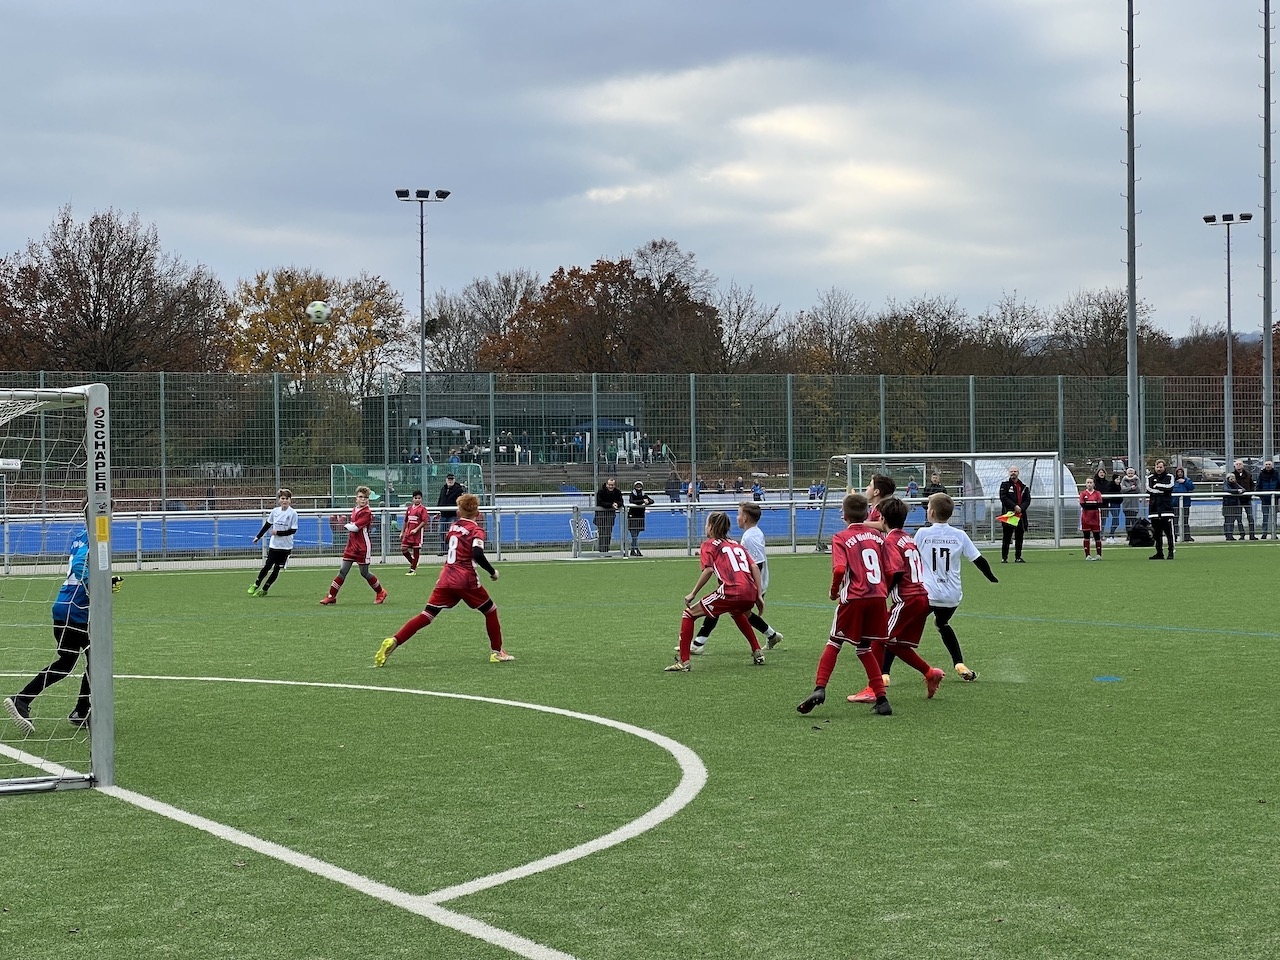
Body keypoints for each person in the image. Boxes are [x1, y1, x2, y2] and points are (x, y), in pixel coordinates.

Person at [4, 524, 122, 734]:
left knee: (67, 663)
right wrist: (99, 586)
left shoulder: (80, 536)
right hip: (76, 611)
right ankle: (81, 711)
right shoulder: (96, 534)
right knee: (97, 660)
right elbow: (79, 564)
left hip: (63, 607)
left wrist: (105, 582)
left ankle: (22, 699)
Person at [376, 493, 513, 667]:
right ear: (477, 513)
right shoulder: (476, 530)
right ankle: (497, 652)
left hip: (445, 578)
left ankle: (395, 640)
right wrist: (492, 572)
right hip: (465, 580)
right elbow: (477, 553)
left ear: (459, 512)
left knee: (427, 615)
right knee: (490, 610)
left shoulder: (453, 527)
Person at [795, 493, 897, 716]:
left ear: (844, 515)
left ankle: (820, 688)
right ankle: (882, 699)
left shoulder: (841, 537)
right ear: (867, 514)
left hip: (854, 597)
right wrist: (883, 591)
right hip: (878, 597)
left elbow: (840, 568)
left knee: (834, 642)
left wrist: (834, 592)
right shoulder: (878, 536)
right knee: (864, 648)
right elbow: (891, 569)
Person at [846, 497, 945, 705]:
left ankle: (873, 689)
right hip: (921, 597)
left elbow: (896, 571)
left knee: (878, 639)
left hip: (907, 599)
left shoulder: (890, 541)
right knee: (896, 644)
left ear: (882, 518)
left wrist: (883, 591)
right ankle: (930, 673)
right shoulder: (907, 538)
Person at [911, 492, 999, 681]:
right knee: (942, 623)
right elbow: (978, 559)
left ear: (931, 513)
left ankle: (884, 673)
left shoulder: (922, 533)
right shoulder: (959, 535)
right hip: (952, 596)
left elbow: (909, 556)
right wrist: (991, 577)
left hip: (928, 594)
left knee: (904, 628)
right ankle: (959, 664)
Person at [665, 511, 765, 672]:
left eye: (707, 524)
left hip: (731, 590)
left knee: (689, 614)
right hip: (750, 590)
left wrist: (693, 593)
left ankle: (684, 662)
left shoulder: (708, 545)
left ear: (711, 527)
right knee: (736, 611)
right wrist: (758, 594)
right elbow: (754, 566)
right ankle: (757, 650)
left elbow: (708, 570)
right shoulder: (736, 544)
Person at [687, 501, 784, 656]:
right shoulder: (753, 534)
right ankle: (771, 636)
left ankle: (698, 643)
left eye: (739, 514)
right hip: (745, 583)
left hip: (747, 584)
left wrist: (753, 588)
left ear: (744, 518)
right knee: (739, 612)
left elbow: (757, 564)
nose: (737, 517)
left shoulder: (750, 538)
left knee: (721, 607)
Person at [320, 485, 387, 606]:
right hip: (351, 545)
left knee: (364, 573)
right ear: (356, 498)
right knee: (342, 571)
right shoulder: (355, 509)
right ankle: (331, 596)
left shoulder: (367, 512)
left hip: (362, 546)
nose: (363, 499)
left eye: (365, 497)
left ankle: (380, 592)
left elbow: (355, 528)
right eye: (361, 497)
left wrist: (345, 525)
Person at [249, 488, 298, 596]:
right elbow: (267, 525)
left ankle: (265, 589)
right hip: (274, 545)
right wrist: (258, 536)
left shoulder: (293, 513)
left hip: (286, 547)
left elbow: (293, 530)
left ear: (290, 500)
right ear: (279, 500)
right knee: (267, 566)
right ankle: (256, 584)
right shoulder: (275, 511)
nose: (284, 501)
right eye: (282, 498)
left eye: (287, 499)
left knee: (277, 569)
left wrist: (278, 532)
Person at [998, 465, 1031, 563]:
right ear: (1009, 473)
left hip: (1020, 515)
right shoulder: (1005, 485)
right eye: (1011, 471)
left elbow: (1027, 500)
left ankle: (1018, 557)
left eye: (1015, 471)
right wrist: (1014, 506)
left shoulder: (1023, 487)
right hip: (1009, 515)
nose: (1013, 473)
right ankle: (1004, 558)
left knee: (1019, 536)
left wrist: (1021, 508)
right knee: (1007, 537)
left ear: (1018, 473)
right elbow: (1003, 498)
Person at [1146, 460, 1176, 560]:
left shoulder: (1169, 477)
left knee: (1169, 533)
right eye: (1157, 467)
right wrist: (1162, 490)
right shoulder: (1150, 478)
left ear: (1164, 467)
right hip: (1154, 510)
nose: (1159, 469)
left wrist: (1158, 485)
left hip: (1166, 510)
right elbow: (1149, 489)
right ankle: (1159, 553)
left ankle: (1171, 552)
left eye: (1161, 467)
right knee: (1157, 534)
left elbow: (1170, 487)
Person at [399, 489, 430, 575]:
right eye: (416, 498)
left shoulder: (422, 509)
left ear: (421, 499)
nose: (417, 500)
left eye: (419, 498)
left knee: (416, 551)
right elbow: (405, 521)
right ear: (413, 499)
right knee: (403, 548)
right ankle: (413, 562)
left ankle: (412, 570)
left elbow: (424, 521)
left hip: (417, 534)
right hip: (408, 533)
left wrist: (416, 529)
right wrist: (402, 532)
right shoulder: (409, 509)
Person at [436, 473, 464, 555]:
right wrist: (438, 509)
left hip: (453, 515)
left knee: (452, 533)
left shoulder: (458, 489)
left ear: (454, 480)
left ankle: (452, 549)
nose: (450, 481)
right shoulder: (443, 488)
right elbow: (441, 499)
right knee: (441, 532)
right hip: (443, 514)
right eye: (449, 479)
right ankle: (444, 549)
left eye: (451, 479)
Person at [595, 477, 624, 554]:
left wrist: (616, 504)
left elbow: (621, 502)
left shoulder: (617, 492)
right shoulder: (601, 492)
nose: (611, 486)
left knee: (608, 533)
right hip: (600, 516)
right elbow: (600, 502)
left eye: (612, 485)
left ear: (614, 485)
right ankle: (602, 551)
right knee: (602, 533)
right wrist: (611, 505)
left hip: (610, 516)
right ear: (606, 484)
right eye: (609, 485)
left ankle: (606, 550)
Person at [626, 481, 655, 556]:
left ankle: (633, 550)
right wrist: (642, 501)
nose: (638, 488)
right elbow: (632, 501)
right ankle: (636, 549)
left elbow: (652, 501)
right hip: (633, 515)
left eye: (640, 487)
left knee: (636, 534)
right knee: (634, 534)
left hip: (640, 516)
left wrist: (648, 501)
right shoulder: (632, 494)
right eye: (637, 487)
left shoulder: (644, 494)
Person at [1078, 477, 1104, 560]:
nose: (1089, 484)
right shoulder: (1083, 493)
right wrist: (1093, 504)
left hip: (1095, 518)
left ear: (1094, 484)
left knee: (1097, 536)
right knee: (1086, 536)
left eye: (1091, 482)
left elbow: (1099, 504)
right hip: (1085, 518)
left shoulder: (1097, 493)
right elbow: (1083, 505)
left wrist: (1089, 504)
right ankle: (1087, 555)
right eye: (1088, 482)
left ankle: (1099, 555)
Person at [1234, 459, 1258, 540]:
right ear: (1235, 466)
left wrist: (1250, 493)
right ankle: (1242, 535)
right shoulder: (1232, 475)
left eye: (1240, 464)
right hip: (1237, 500)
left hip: (1247, 499)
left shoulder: (1248, 475)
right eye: (1237, 464)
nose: (1238, 466)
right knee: (1239, 518)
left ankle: (1252, 535)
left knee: (1250, 517)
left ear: (1243, 465)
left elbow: (1252, 485)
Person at [1173, 466, 1196, 543]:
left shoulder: (1187, 480)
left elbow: (1192, 487)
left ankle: (1187, 536)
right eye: (1178, 472)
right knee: (1175, 521)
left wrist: (1184, 482)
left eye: (1181, 472)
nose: (1179, 473)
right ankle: (1174, 536)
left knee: (1185, 520)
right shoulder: (1173, 481)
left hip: (1185, 504)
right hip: (1175, 504)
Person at [1258, 460, 1279, 538]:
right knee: (1265, 517)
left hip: (1275, 498)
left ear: (1272, 465)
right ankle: (1264, 533)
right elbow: (1258, 485)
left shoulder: (1276, 474)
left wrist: (1278, 496)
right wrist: (1261, 496)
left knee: (1274, 517)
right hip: (1265, 499)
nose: (1268, 465)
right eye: (1266, 464)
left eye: (1269, 464)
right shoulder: (1261, 474)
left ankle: (1274, 533)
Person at [1119, 467, 1142, 533]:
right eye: (1129, 473)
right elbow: (1122, 490)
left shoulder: (1137, 479)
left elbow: (1138, 489)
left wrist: (1127, 489)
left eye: (1131, 473)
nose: (1130, 474)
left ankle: (1134, 533)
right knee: (1127, 520)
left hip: (1135, 503)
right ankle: (1128, 533)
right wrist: (1131, 488)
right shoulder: (1124, 480)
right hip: (1126, 504)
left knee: (1134, 519)